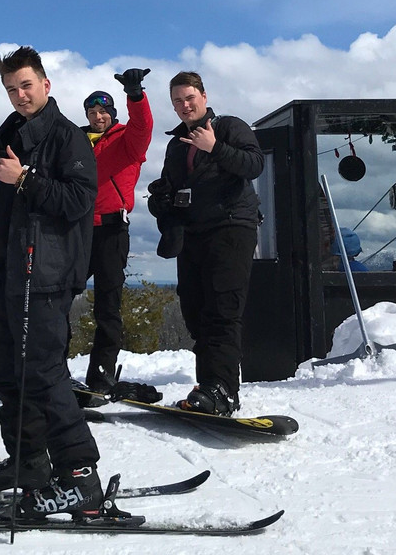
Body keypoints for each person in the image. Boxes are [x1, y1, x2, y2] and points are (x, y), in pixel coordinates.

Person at [0, 45, 104, 520]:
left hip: (43, 276)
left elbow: (80, 200)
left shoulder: (66, 138)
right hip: (6, 273)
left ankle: (80, 478)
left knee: (43, 375)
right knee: (3, 373)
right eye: (11, 89)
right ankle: (29, 464)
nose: (19, 95)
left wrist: (25, 179)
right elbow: (5, 204)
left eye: (26, 85)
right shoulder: (11, 136)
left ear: (46, 84)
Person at [147, 71, 263, 417]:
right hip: (193, 233)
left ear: (204, 96)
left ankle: (223, 390)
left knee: (222, 311)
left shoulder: (229, 127)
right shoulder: (174, 144)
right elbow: (171, 188)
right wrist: (161, 201)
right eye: (177, 102)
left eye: (189, 98)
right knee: (195, 312)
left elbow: (254, 164)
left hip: (231, 227)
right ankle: (208, 386)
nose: (184, 106)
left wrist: (215, 147)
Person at [79, 69, 154, 393]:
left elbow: (144, 126)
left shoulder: (127, 141)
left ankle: (100, 376)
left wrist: (135, 95)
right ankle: (51, 373)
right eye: (92, 112)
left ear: (113, 113)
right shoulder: (76, 142)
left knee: (107, 308)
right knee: (56, 299)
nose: (98, 116)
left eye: (103, 111)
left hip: (111, 231)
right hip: (78, 232)